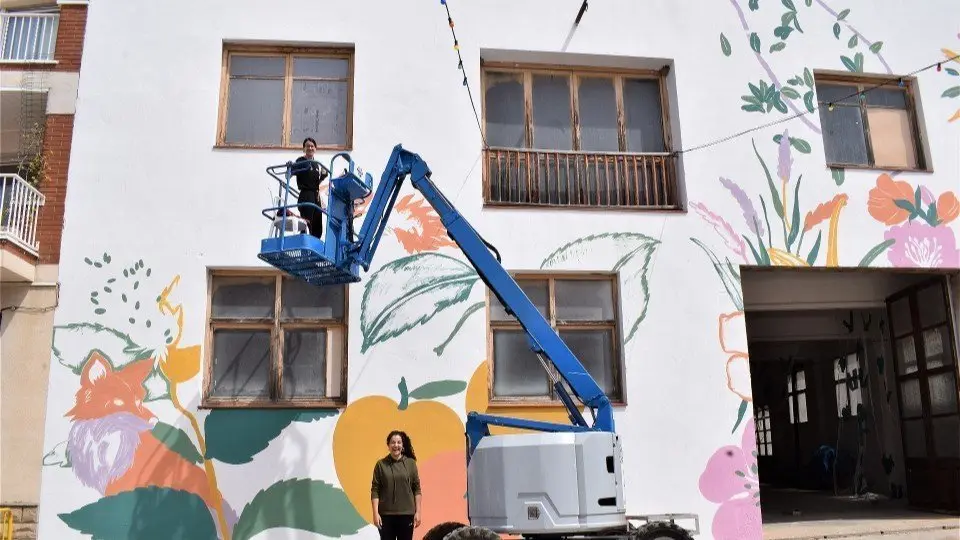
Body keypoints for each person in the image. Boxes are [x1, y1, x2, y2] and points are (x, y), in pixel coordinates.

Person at [371, 430, 422, 540]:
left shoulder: (411, 463)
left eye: (399, 442)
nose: (396, 445)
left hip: (407, 514)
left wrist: (418, 512)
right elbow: (375, 490)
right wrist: (375, 513)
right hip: (386, 515)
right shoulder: (380, 465)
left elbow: (416, 488)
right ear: (388, 445)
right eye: (393, 442)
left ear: (403, 445)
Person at [293, 137, 328, 239]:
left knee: (317, 225)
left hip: (316, 195)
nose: (310, 148)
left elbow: (315, 182)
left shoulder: (316, 164)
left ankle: (315, 244)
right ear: (304, 149)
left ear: (315, 149)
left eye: (312, 146)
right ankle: (304, 240)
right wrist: (290, 168)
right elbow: (292, 172)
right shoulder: (300, 161)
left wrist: (322, 177)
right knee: (307, 222)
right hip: (306, 194)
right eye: (307, 146)